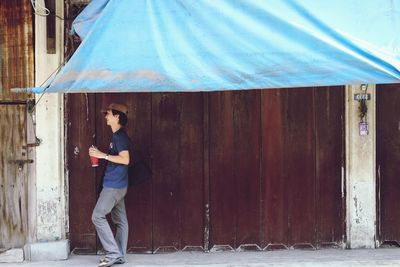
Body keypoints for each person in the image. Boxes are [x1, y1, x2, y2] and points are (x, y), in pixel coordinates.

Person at [89, 103, 130, 267]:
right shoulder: (117, 136)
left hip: (114, 186)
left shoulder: (120, 137)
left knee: (97, 216)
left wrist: (102, 155)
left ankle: (113, 253)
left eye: (108, 113)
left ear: (117, 116)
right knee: (121, 221)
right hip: (119, 185)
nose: (105, 116)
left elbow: (125, 159)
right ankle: (119, 255)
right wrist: (102, 155)